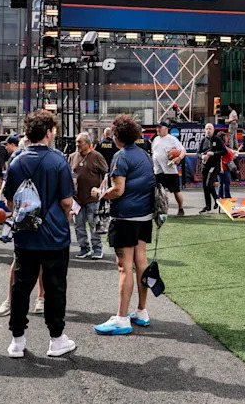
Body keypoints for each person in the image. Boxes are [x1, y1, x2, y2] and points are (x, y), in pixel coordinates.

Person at [4, 110, 76, 358]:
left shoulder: (16, 160)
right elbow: (67, 201)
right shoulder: (58, 161)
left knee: (21, 287)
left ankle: (17, 340)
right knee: (55, 287)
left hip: (25, 234)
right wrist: (64, 220)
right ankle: (56, 339)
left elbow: (11, 201)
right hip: (54, 234)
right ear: (48, 132)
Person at [92, 115, 156, 335]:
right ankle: (141, 311)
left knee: (124, 267)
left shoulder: (121, 156)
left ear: (117, 137)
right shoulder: (145, 155)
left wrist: (100, 194)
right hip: (144, 216)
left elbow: (118, 190)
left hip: (125, 218)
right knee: (141, 264)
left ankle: (121, 318)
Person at [68, 132, 109, 258]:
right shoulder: (72, 156)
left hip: (92, 198)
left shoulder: (97, 156)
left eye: (79, 142)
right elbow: (69, 173)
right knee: (79, 225)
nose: (77, 144)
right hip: (77, 199)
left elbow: (107, 174)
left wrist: (100, 189)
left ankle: (97, 248)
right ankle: (84, 248)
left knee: (93, 224)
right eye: (76, 142)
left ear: (88, 143)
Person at [150, 121, 186, 216]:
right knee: (158, 191)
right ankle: (159, 210)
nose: (158, 129)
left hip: (169, 170)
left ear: (166, 129)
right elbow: (154, 153)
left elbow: (183, 150)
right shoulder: (156, 139)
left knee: (175, 190)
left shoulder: (172, 139)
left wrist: (179, 158)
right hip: (158, 170)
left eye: (160, 128)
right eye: (157, 128)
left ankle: (181, 208)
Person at [197, 123, 227, 214]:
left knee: (209, 184)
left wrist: (214, 153)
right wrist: (202, 156)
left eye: (210, 128)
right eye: (206, 129)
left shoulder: (217, 139)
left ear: (213, 130)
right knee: (205, 186)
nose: (208, 130)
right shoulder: (203, 140)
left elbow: (224, 151)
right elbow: (198, 152)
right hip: (205, 165)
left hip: (214, 165)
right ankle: (207, 206)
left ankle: (217, 198)